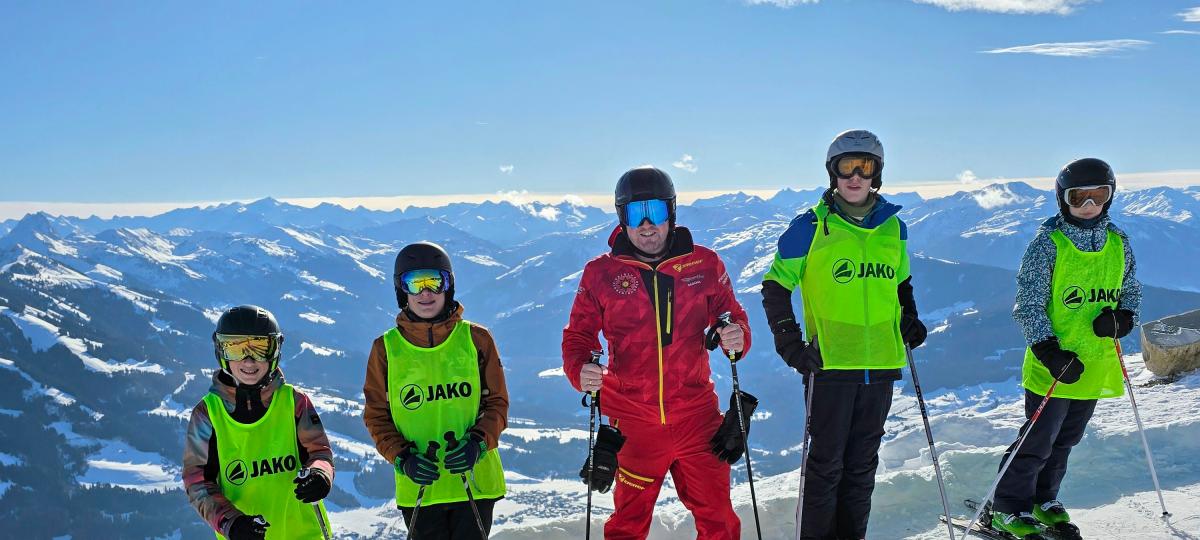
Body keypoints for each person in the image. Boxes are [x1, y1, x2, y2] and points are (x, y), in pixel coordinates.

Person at [562, 166, 753, 539]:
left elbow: (734, 319)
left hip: (697, 417)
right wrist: (580, 369)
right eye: (635, 213)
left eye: (656, 211)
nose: (647, 224)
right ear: (622, 218)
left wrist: (736, 337)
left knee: (719, 520)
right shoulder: (600, 274)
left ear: (672, 212)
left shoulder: (704, 264)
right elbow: (579, 336)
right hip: (633, 422)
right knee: (628, 526)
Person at [761, 129, 927, 539]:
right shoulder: (810, 228)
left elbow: (901, 284)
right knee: (825, 468)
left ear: (877, 174)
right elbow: (775, 286)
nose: (855, 176)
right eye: (845, 167)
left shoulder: (895, 229)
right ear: (832, 173)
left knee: (862, 468)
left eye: (864, 167)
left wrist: (910, 318)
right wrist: (790, 344)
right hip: (830, 364)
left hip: (883, 363)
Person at [988, 158, 1141, 539]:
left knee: (1067, 438)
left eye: (1098, 196)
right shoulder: (1048, 244)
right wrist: (1047, 350)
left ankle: (1043, 499)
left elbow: (1132, 289)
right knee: (1038, 439)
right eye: (1079, 198)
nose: (1089, 206)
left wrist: (1124, 318)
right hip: (1054, 365)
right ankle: (1007, 505)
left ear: (1110, 197)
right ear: (1063, 200)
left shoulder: (1118, 242)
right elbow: (1029, 302)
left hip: (1093, 362)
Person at [363, 241, 509, 539]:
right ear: (401, 290)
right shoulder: (386, 349)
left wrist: (477, 444)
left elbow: (498, 404)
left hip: (475, 482)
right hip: (420, 486)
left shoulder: (477, 339)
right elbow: (377, 415)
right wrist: (403, 457)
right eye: (414, 283)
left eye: (434, 281)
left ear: (448, 285)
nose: (425, 293)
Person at [183, 305, 334, 539]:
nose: (249, 360)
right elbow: (198, 483)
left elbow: (320, 452)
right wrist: (231, 523)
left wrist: (320, 475)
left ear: (274, 351)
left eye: (260, 348)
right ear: (221, 352)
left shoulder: (293, 402)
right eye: (236, 348)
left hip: (305, 533)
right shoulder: (208, 414)